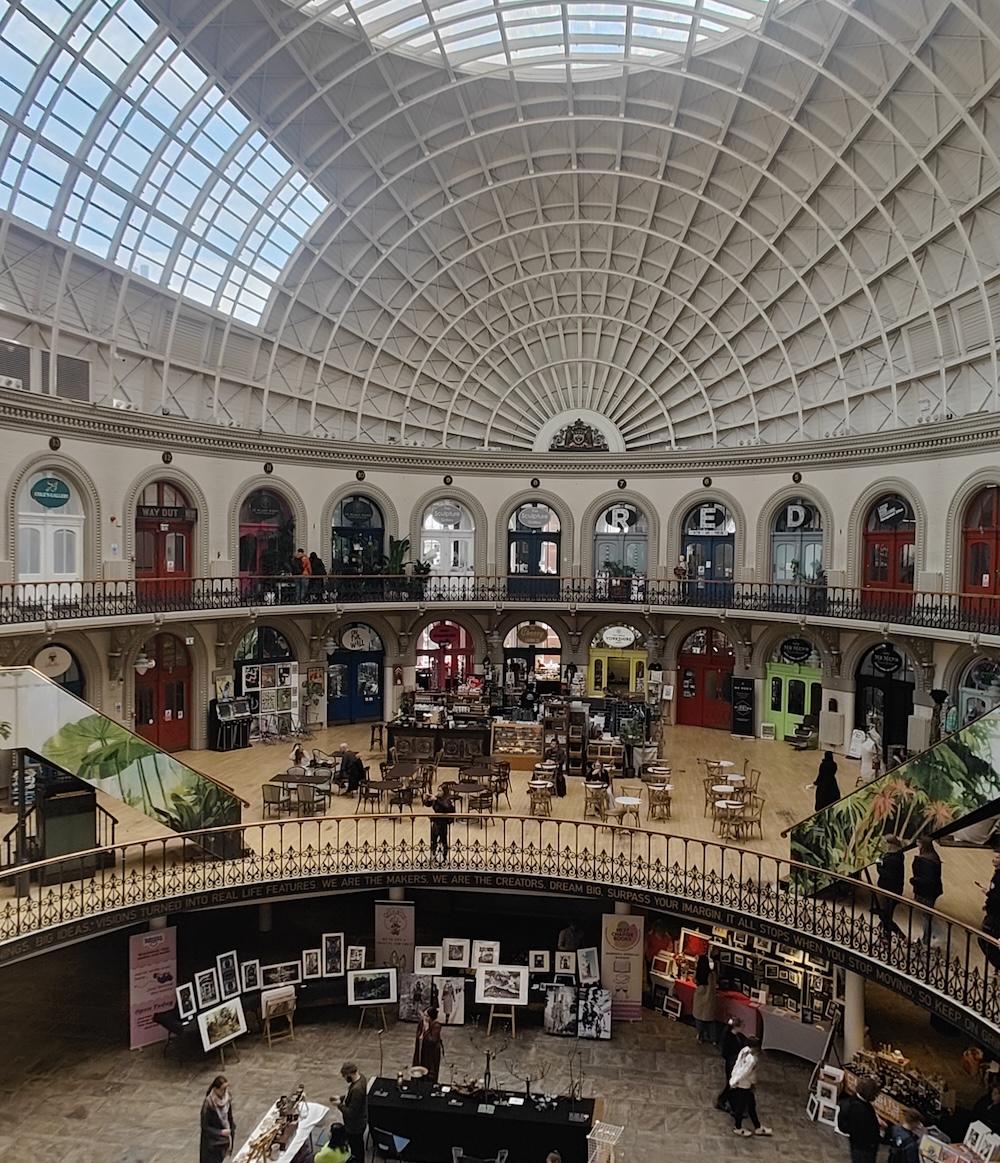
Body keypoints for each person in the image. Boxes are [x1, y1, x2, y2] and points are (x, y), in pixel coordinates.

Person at [728, 1037, 771, 1136]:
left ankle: (757, 1126)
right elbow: (744, 1072)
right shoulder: (751, 1060)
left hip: (744, 1083)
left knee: (751, 1105)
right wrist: (734, 1081)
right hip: (744, 1085)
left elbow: (738, 1065)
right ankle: (737, 1127)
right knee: (741, 1107)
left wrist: (733, 1077)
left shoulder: (744, 1051)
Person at [839, 1077, 882, 1163]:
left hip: (855, 1143)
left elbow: (842, 1126)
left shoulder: (847, 1102)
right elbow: (872, 1134)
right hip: (866, 1147)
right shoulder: (863, 1111)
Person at [910, 835, 943, 946]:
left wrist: (914, 881)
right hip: (933, 891)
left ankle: (927, 940)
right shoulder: (934, 857)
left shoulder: (924, 861)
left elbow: (925, 879)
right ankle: (928, 938)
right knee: (927, 915)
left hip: (925, 892)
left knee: (926, 917)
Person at [332, 1061, 367, 1163]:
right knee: (358, 1146)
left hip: (355, 1126)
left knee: (357, 1150)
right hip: (359, 1121)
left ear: (350, 1074)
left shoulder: (357, 1090)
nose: (345, 1078)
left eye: (345, 1076)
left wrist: (339, 1105)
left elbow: (351, 1113)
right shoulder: (361, 1079)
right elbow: (352, 1098)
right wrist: (341, 1098)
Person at [876, 834, 907, 943]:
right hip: (893, 889)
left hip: (889, 890)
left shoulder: (893, 859)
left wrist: (879, 865)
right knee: (886, 915)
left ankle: (901, 936)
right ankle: (887, 936)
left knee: (885, 916)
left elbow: (885, 874)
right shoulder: (897, 856)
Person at [716, 1016, 749, 1113]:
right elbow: (726, 1053)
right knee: (731, 1084)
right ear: (736, 1027)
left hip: (736, 1063)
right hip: (731, 1064)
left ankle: (730, 1101)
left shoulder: (738, 1036)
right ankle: (722, 1100)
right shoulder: (728, 1038)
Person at [200, 1075, 235, 1163]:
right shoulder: (208, 1104)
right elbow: (205, 1127)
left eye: (226, 1089)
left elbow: (229, 1116)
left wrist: (231, 1128)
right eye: (222, 1089)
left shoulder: (227, 1098)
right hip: (213, 1142)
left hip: (225, 1139)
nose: (224, 1092)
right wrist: (220, 1132)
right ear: (215, 1089)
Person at [979, 849, 1000, 970]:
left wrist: (988, 894)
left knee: (987, 939)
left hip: (996, 915)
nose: (994, 859)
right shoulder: (996, 874)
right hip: (993, 911)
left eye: (997, 857)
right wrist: (988, 903)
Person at [693, 952, 718, 1045]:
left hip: (699, 998)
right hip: (709, 999)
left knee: (699, 1020)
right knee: (711, 1021)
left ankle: (700, 1036)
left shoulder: (698, 973)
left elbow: (694, 980)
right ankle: (713, 1039)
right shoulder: (711, 974)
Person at [413, 1005, 444, 1081]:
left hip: (431, 1055)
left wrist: (427, 1029)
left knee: (429, 1073)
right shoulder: (421, 1023)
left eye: (427, 1016)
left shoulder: (436, 1026)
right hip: (421, 1050)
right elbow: (418, 1036)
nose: (425, 1018)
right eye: (424, 1015)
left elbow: (431, 1040)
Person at [426, 784, 455, 861]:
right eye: (438, 790)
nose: (438, 792)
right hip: (436, 821)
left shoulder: (447, 799)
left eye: (440, 790)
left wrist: (436, 799)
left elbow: (446, 807)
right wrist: (427, 799)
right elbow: (429, 805)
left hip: (443, 822)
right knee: (433, 839)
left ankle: (445, 856)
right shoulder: (437, 798)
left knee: (443, 840)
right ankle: (433, 854)